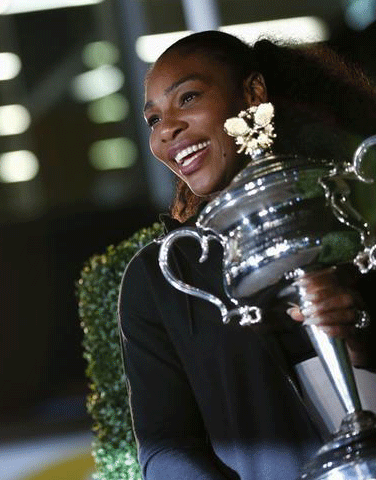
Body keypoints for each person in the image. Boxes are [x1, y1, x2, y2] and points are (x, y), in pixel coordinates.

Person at [118, 30, 376, 480]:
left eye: (188, 97)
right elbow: (165, 446)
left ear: (254, 93)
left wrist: (358, 336)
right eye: (153, 119)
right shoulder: (160, 279)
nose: (167, 130)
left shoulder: (356, 216)